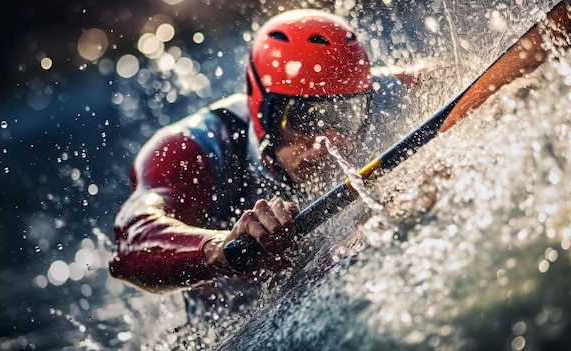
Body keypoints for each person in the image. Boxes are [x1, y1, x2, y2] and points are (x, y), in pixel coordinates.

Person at [109, 4, 571, 296]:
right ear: (262, 110)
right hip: (226, 299)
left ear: (363, 101)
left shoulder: (393, 91)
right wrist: (220, 249)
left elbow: (496, 78)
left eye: (344, 116)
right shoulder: (190, 149)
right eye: (303, 120)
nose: (327, 140)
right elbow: (130, 242)